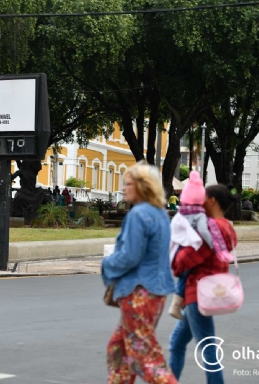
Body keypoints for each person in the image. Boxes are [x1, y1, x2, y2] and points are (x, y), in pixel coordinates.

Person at [101, 163, 178, 384]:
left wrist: (106, 264)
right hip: (156, 292)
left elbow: (129, 256)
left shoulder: (138, 214)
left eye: (128, 184)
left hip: (139, 293)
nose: (123, 188)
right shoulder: (160, 214)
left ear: (142, 186)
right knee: (119, 351)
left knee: (147, 359)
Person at [169, 184, 238, 384]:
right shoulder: (226, 227)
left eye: (203, 198)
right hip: (203, 291)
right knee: (177, 344)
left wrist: (175, 262)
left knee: (208, 351)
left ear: (212, 201)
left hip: (197, 292)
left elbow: (188, 258)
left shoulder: (212, 229)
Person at [168, 171, 231, 320]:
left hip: (177, 249)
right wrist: (213, 245)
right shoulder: (200, 215)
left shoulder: (180, 213)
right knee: (187, 275)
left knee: (183, 276)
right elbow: (203, 231)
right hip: (190, 251)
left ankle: (179, 303)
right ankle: (177, 304)